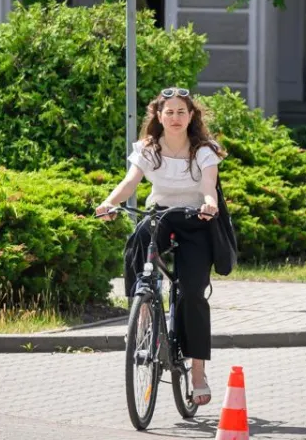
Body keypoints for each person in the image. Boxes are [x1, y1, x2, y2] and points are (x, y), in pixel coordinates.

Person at [96, 87, 224, 406]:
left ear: (191, 116)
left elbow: (209, 185)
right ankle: (140, 316)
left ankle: (197, 375)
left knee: (192, 293)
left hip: (196, 219)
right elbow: (130, 182)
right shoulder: (149, 149)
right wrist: (110, 203)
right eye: (169, 112)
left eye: (182, 112)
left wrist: (210, 204)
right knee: (138, 241)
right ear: (158, 116)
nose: (175, 118)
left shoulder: (203, 150)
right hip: (162, 215)